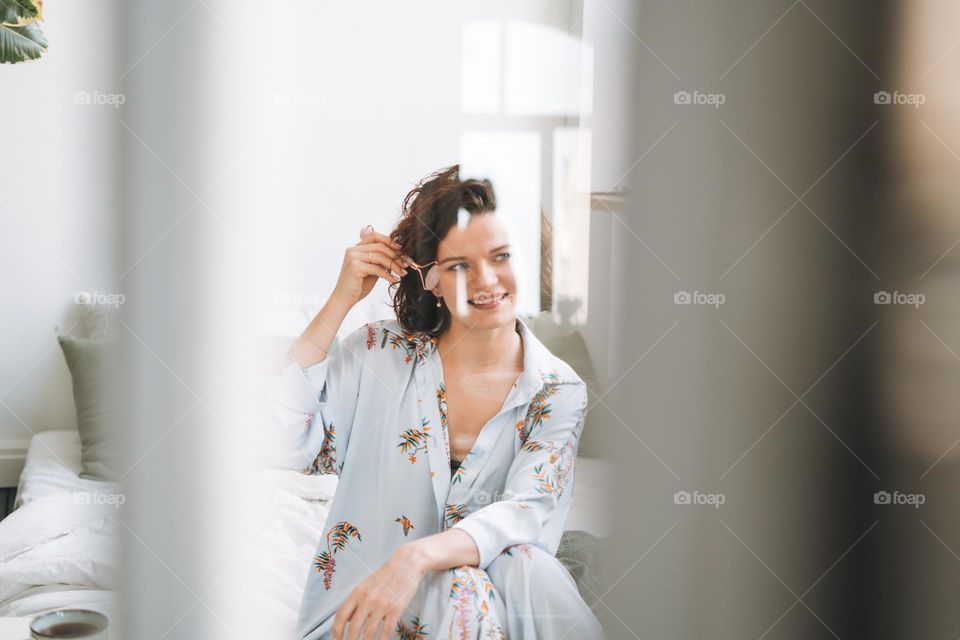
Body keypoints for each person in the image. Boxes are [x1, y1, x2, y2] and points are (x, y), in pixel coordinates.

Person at [269, 165, 606, 639]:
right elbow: (277, 438)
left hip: (499, 613)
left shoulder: (557, 389)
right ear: (431, 280)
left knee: (530, 565)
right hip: (368, 618)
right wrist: (341, 300)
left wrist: (417, 556)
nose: (486, 280)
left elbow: (528, 513)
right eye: (460, 266)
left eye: (502, 255)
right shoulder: (376, 355)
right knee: (468, 586)